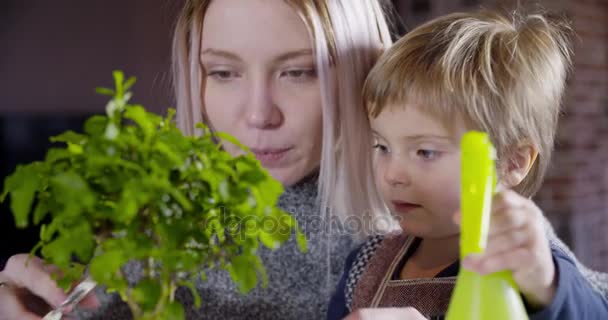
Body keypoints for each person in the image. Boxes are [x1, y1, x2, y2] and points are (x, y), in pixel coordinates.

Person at [0, 1, 605, 319]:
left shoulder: (434, 220)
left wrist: (547, 281)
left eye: (297, 72)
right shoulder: (163, 220)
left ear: (361, 72)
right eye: (223, 72)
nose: (258, 114)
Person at [328, 9, 608, 320]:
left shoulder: (530, 268)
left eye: (425, 152)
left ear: (513, 161)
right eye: (382, 146)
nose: (391, 174)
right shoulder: (366, 263)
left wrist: (545, 283)